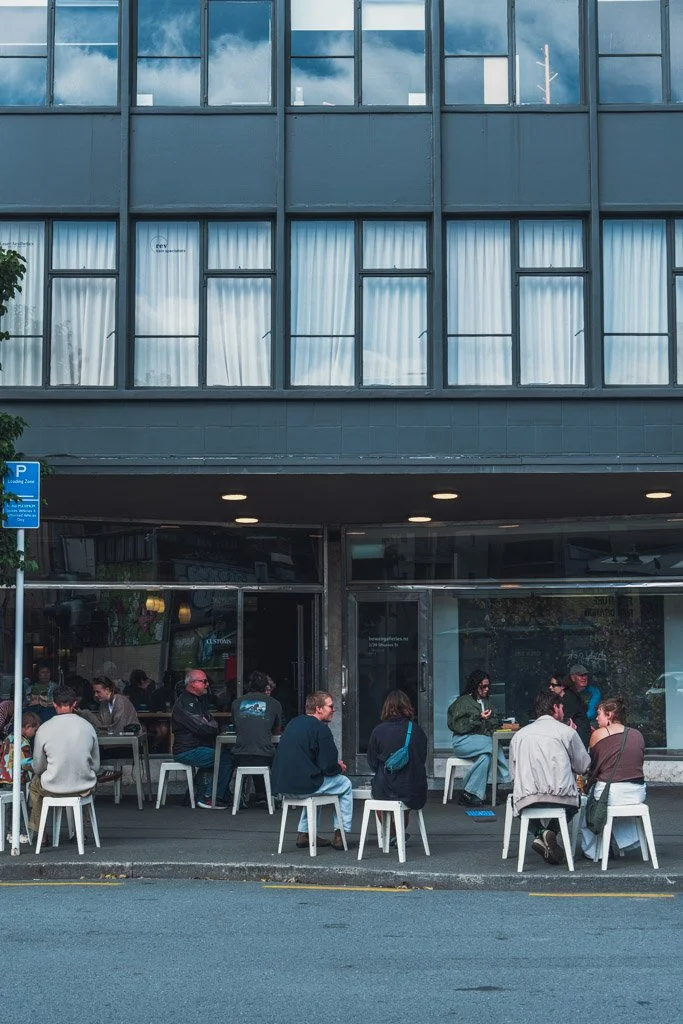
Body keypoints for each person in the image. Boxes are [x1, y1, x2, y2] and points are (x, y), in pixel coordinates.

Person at [509, 690, 590, 865]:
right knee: (574, 804)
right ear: (555, 708)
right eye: (562, 707)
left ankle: (540, 834)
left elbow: (513, 774)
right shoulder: (567, 732)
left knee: (514, 803)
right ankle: (550, 832)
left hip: (527, 798)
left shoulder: (519, 736)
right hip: (562, 798)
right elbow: (583, 766)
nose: (564, 711)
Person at [271, 691, 353, 850]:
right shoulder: (321, 729)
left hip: (283, 785)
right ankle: (340, 834)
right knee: (345, 784)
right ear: (319, 709)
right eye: (330, 706)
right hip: (305, 785)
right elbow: (328, 767)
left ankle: (304, 834)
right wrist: (339, 767)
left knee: (321, 787)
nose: (333, 710)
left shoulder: (293, 723)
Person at [580, 695, 647, 861]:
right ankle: (625, 842)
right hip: (638, 791)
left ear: (609, 715)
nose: (596, 718)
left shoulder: (599, 734)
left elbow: (594, 769)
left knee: (590, 801)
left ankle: (595, 851)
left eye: (599, 714)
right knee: (610, 797)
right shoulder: (637, 734)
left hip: (612, 792)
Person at [28, 685, 101, 837]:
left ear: (54, 704)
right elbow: (96, 765)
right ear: (75, 704)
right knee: (91, 783)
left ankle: (40, 833)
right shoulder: (88, 727)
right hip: (83, 787)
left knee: (34, 785)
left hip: (53, 787)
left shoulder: (44, 729)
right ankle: (81, 829)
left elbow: (38, 768)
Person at [367, 690, 427, 842]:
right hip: (412, 788)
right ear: (407, 706)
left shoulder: (378, 731)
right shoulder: (417, 730)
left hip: (385, 787)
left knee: (378, 798)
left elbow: (372, 763)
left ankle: (393, 834)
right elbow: (422, 759)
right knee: (404, 805)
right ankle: (399, 834)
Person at [171, 668, 234, 809]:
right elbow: (203, 727)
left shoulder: (197, 701)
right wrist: (211, 725)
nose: (207, 684)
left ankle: (196, 795)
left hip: (196, 748)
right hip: (187, 750)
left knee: (219, 755)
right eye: (204, 681)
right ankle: (209, 797)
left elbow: (210, 722)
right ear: (193, 683)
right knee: (225, 757)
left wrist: (210, 725)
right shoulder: (186, 703)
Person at [447, 669, 510, 806]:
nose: (486, 689)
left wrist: (493, 722)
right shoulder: (463, 701)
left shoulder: (487, 702)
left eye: (488, 686)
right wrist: (479, 718)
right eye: (483, 686)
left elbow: (493, 721)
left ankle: (470, 793)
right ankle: (504, 778)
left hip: (480, 742)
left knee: (485, 758)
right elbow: (455, 725)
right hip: (463, 741)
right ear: (475, 686)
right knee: (492, 743)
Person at [231, 670, 283, 806]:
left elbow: (237, 726)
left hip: (240, 755)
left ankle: (237, 796)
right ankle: (275, 795)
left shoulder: (236, 703)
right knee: (277, 756)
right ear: (266, 687)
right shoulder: (274, 703)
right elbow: (277, 730)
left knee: (231, 757)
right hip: (265, 755)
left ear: (248, 685)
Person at [0, 711, 40, 844]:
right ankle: (20, 833)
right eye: (35, 730)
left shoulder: (8, 738)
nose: (35, 733)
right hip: (16, 779)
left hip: (4, 777)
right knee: (19, 807)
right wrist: (37, 766)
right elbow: (25, 762)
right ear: (28, 727)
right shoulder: (23, 742)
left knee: (8, 807)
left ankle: (9, 832)